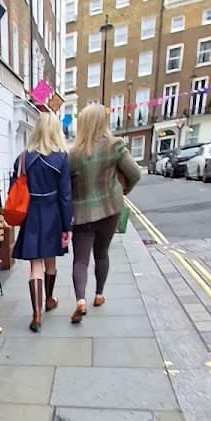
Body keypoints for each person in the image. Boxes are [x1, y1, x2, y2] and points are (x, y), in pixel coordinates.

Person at [67, 103, 141, 324]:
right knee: (102, 253)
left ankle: (80, 300)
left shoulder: (73, 154)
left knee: (80, 260)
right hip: (110, 209)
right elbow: (135, 173)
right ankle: (98, 294)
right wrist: (122, 190)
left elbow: (67, 187)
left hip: (81, 214)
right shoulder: (115, 146)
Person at [11, 115, 74, 332]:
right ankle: (49, 299)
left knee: (35, 265)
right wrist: (68, 227)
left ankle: (36, 314)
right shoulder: (62, 158)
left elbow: (15, 187)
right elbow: (66, 196)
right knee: (50, 261)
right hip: (53, 214)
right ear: (56, 131)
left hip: (31, 214)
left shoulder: (22, 159)